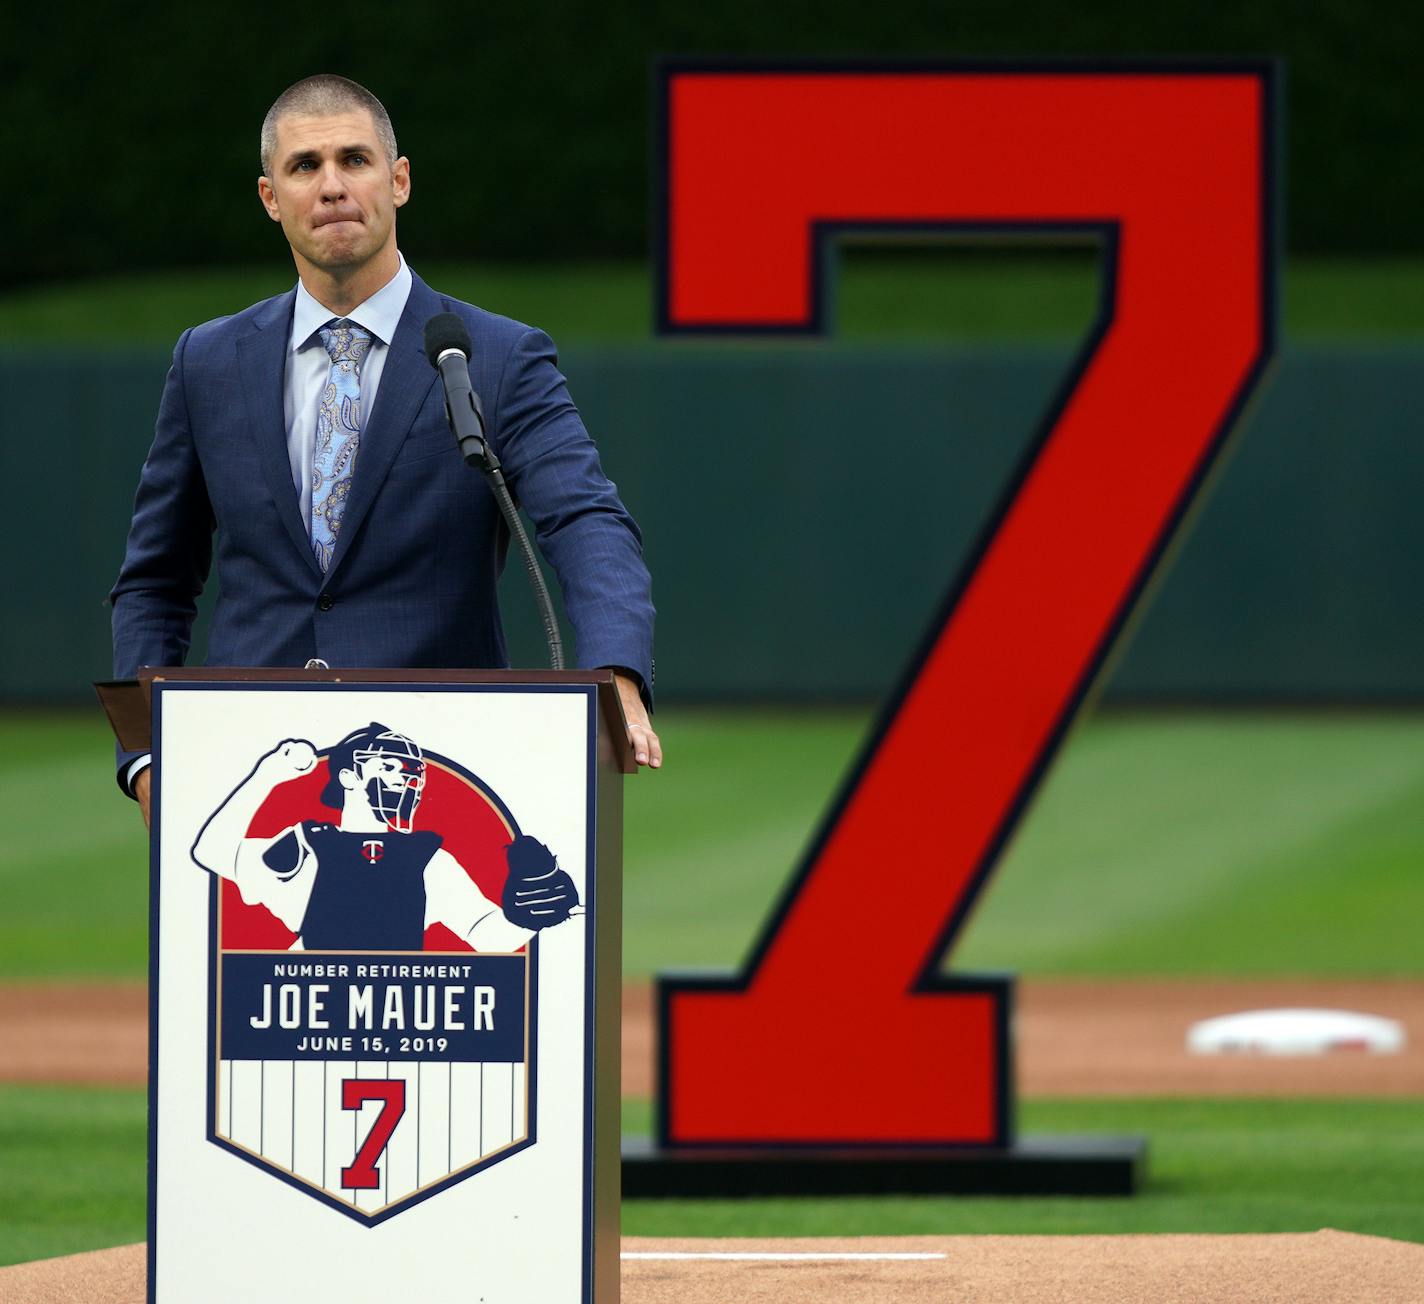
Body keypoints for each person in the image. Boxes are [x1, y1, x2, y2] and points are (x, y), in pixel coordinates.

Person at [111, 74, 660, 826]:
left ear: (398, 180)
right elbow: (155, 581)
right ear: (272, 197)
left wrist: (616, 678)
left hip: (444, 772)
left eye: (355, 160)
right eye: (306, 166)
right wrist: (145, 756)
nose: (332, 186)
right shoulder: (207, 361)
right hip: (248, 770)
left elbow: (586, 523)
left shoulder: (495, 357)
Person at [191, 724, 577, 952]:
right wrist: (267, 775)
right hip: (310, 1010)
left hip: (399, 1015)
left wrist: (529, 917)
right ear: (349, 777)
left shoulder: (426, 857)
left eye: (410, 771)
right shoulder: (307, 845)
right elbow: (211, 853)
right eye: (389, 766)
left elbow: (483, 933)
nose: (403, 779)